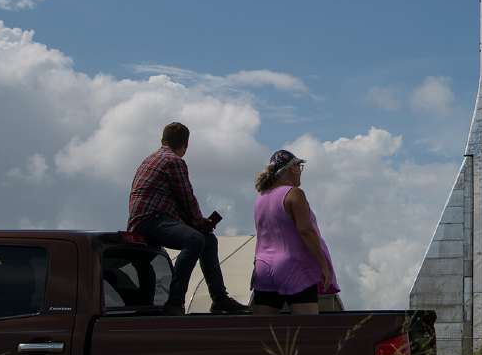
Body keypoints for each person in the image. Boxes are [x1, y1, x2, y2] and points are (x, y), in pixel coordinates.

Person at [127, 121, 249, 315]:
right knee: (195, 240)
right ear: (185, 144)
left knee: (208, 241)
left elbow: (175, 201)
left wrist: (197, 224)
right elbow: (186, 198)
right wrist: (201, 223)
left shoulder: (149, 159)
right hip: (153, 220)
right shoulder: (173, 161)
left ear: (163, 140)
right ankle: (175, 301)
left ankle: (219, 298)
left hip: (142, 222)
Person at [251, 149, 339, 315]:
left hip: (263, 268)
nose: (300, 171)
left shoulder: (261, 198)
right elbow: (306, 231)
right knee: (307, 330)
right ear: (292, 168)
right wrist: (324, 265)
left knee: (262, 331)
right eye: (300, 166)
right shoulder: (294, 194)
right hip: (293, 267)